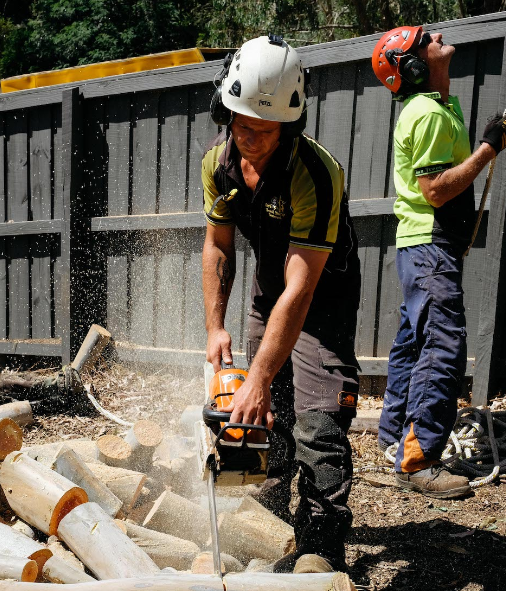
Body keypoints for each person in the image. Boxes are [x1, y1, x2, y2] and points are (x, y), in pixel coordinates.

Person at [201, 34, 361, 574]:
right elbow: (218, 246)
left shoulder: (316, 172)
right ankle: (265, 530)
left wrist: (261, 374)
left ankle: (320, 550)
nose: (248, 137)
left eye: (263, 130)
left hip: (321, 297)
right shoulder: (218, 165)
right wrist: (214, 326)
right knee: (265, 420)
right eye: (240, 123)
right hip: (269, 293)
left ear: (289, 125)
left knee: (317, 424)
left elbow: (302, 287)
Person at [371, 26, 506, 498]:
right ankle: (417, 460)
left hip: (420, 248)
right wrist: (488, 151)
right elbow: (435, 190)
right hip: (430, 247)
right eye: (428, 39)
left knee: (414, 343)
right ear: (413, 66)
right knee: (442, 348)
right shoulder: (428, 114)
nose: (440, 36)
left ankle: (393, 436)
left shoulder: (435, 108)